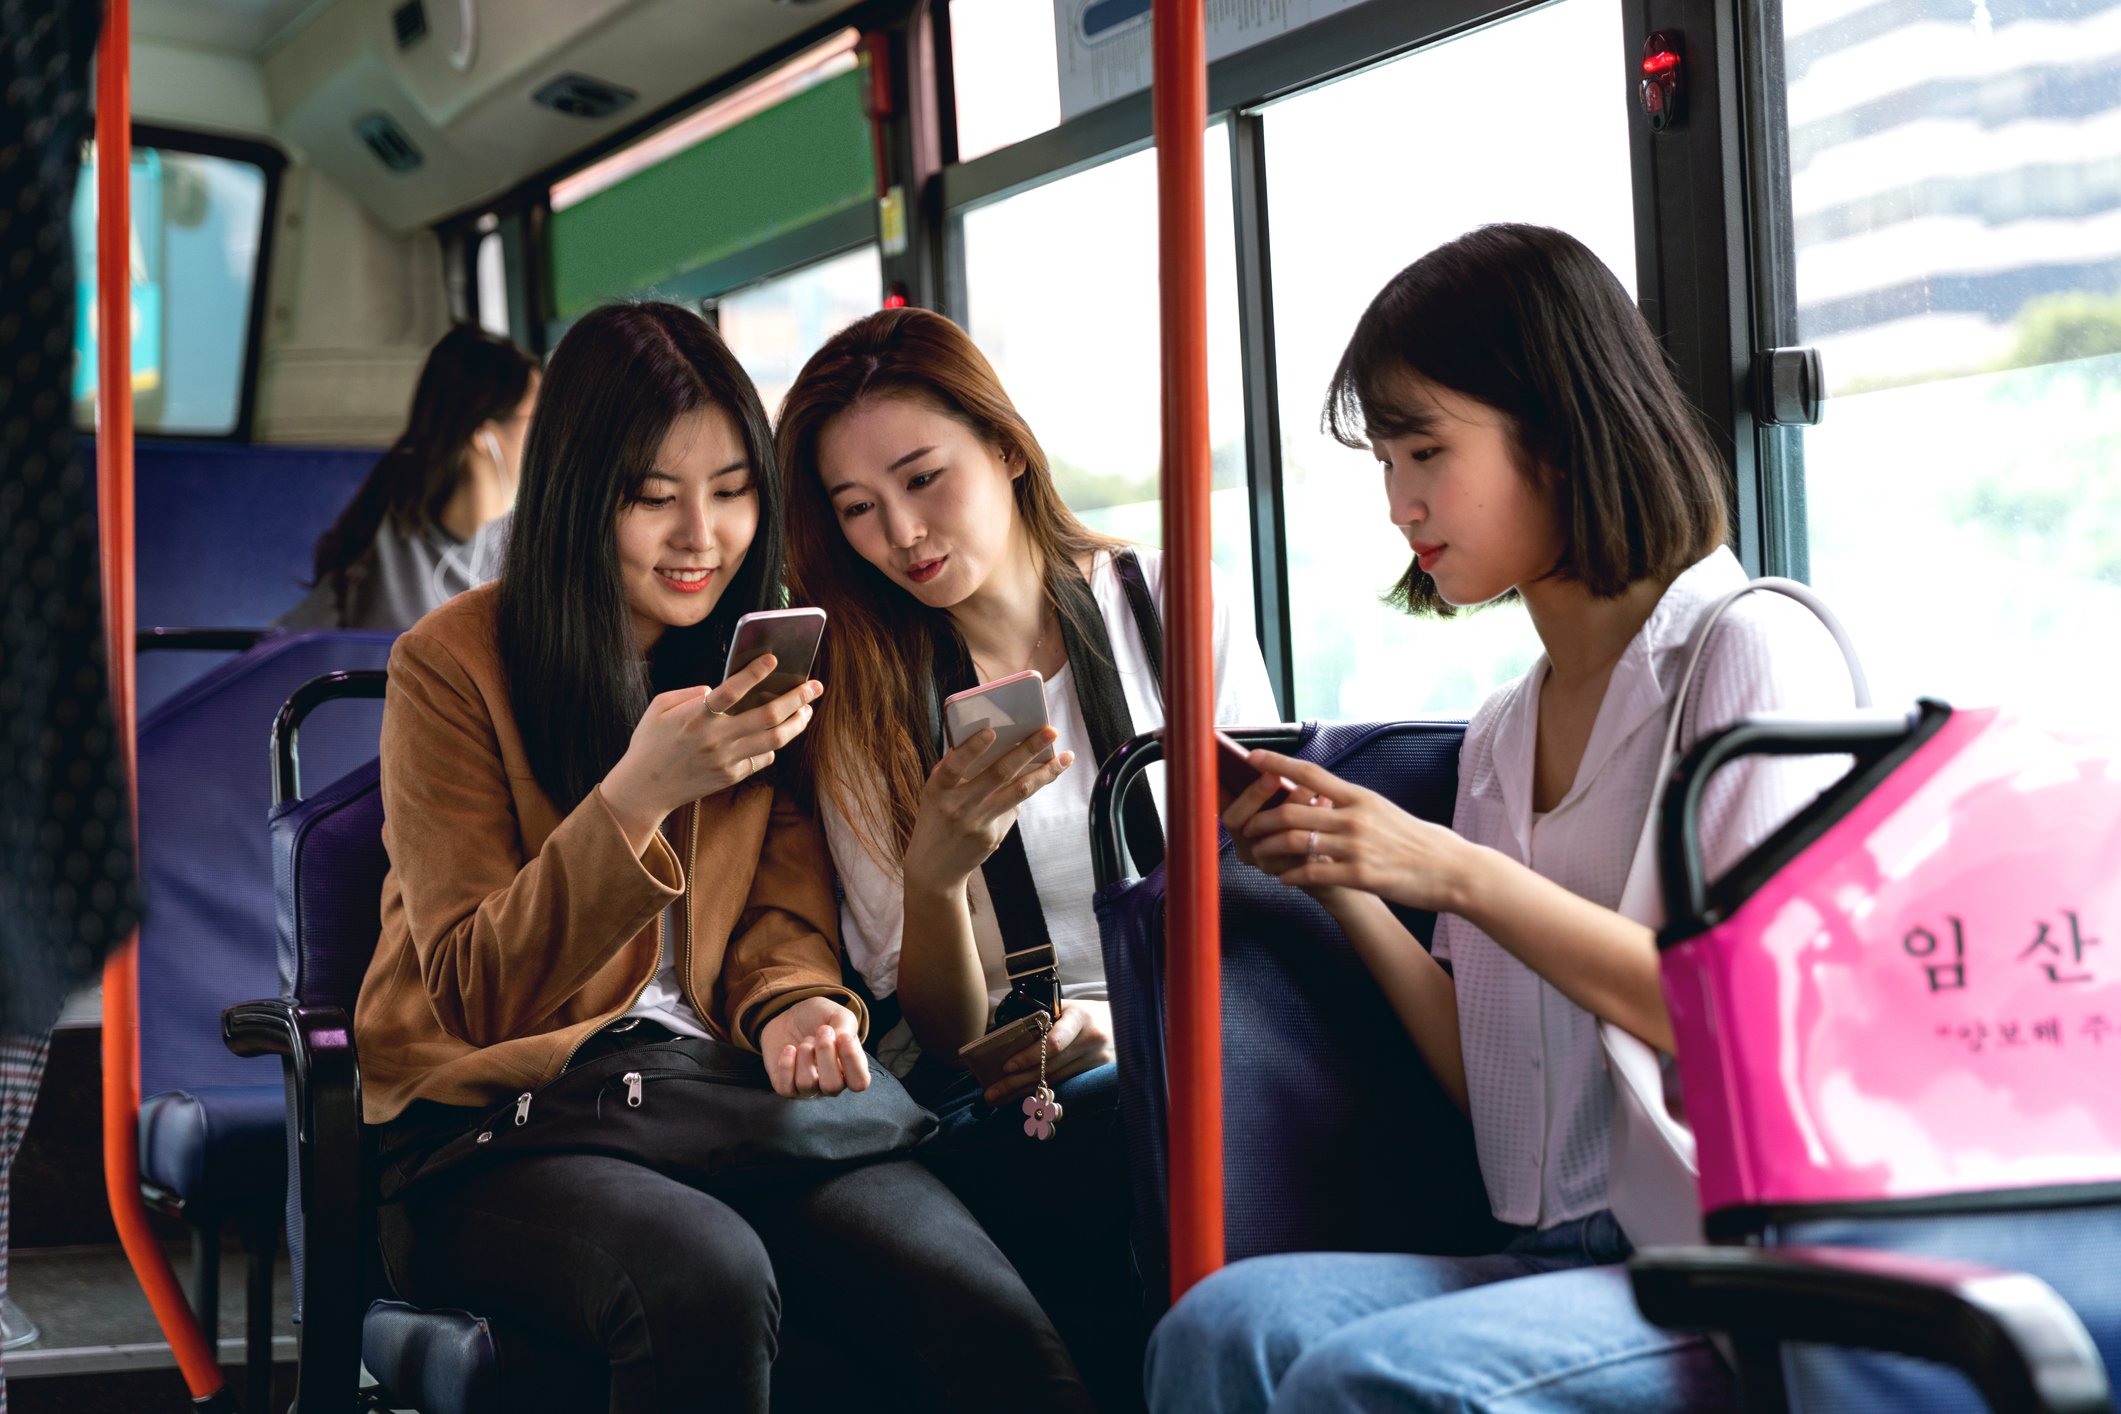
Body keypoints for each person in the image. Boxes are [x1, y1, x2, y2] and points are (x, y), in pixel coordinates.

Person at [1145, 224, 1860, 1413]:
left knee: (1365, 1377)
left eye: (1426, 449)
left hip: (1728, 1273)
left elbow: (1739, 1022)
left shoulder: (1750, 650)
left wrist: (1459, 873)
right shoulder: (1504, 730)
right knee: (1220, 1328)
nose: (1399, 502)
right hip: (1557, 1253)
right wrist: (1351, 877)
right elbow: (1506, 1104)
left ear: (1564, 430)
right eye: (1384, 460)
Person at [357, 301, 1091, 1414]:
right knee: (703, 1275)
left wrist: (796, 1002)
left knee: (985, 1318)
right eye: (653, 498)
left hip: (721, 1098)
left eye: (734, 490)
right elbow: (473, 987)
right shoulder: (451, 666)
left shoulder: (769, 654)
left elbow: (781, 908)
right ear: (575, 493)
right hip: (501, 1124)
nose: (701, 535)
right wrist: (640, 793)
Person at [775, 307, 1280, 1411]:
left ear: (1006, 447)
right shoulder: (859, 696)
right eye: (857, 509)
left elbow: (1265, 874)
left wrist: (1134, 1015)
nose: (900, 532)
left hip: (1205, 1022)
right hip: (1005, 1079)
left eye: (924, 478)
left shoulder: (1167, 603)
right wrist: (938, 870)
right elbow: (948, 1032)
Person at [278, 324, 538, 630]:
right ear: (483, 435)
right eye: (537, 417)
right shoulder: (382, 552)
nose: (552, 431)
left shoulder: (534, 550)